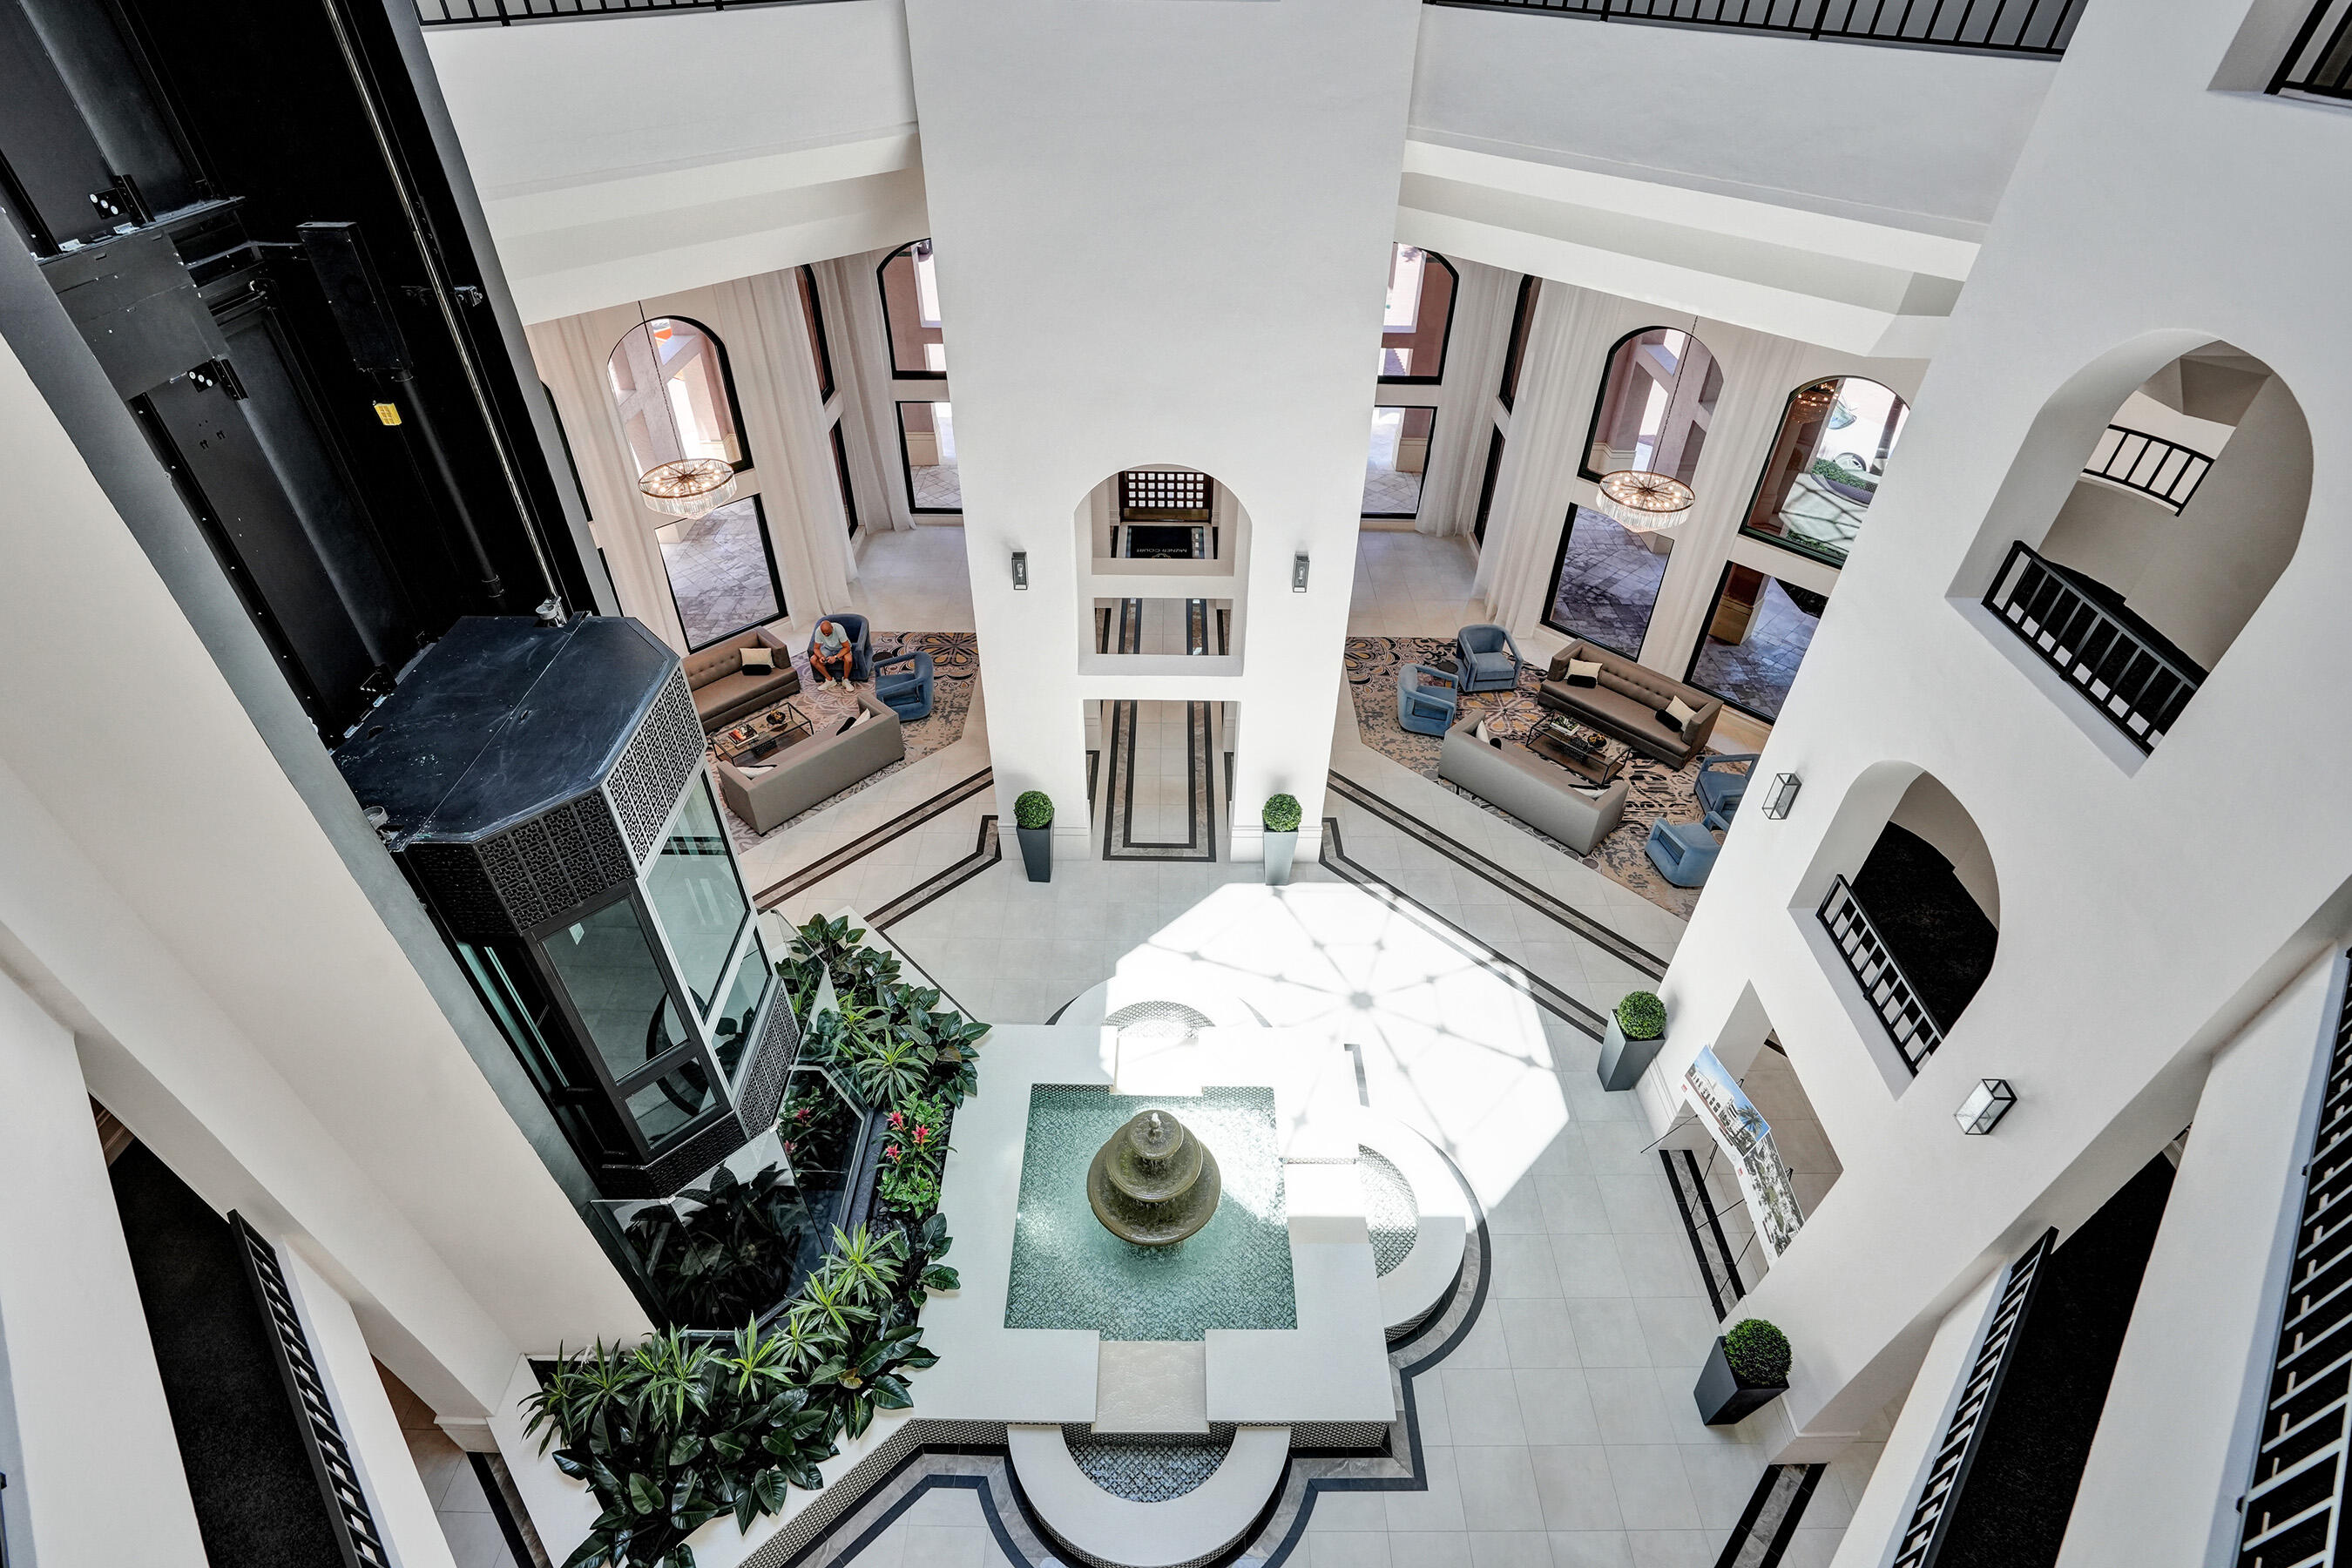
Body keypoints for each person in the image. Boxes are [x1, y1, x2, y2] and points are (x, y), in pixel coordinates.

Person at [810, 619, 854, 691]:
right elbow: (816, 648)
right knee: (813, 659)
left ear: (832, 628)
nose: (826, 635)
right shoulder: (818, 631)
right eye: (824, 633)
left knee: (848, 659)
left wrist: (835, 657)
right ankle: (830, 680)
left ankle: (845, 680)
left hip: (842, 648)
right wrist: (821, 656)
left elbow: (847, 647)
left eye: (827, 633)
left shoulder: (839, 628)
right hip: (828, 648)